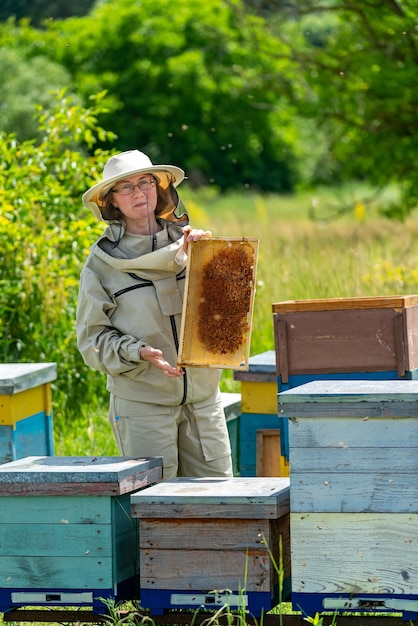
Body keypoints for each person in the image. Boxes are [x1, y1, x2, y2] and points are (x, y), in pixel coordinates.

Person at [77, 149, 233, 479]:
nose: (139, 193)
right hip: (143, 406)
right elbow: (92, 340)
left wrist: (213, 264)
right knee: (156, 512)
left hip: (203, 403)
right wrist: (138, 352)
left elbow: (229, 313)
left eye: (145, 182)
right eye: (126, 187)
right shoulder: (100, 265)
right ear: (112, 201)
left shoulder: (195, 245)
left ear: (159, 187)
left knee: (221, 508)